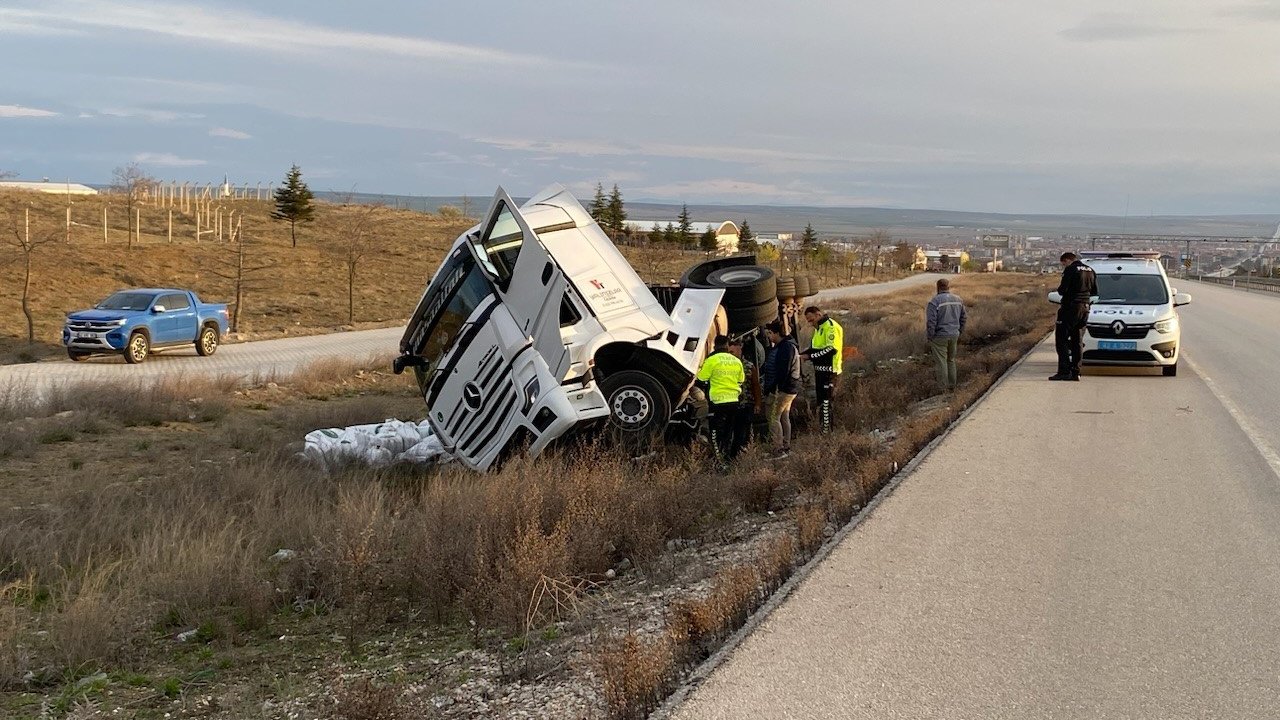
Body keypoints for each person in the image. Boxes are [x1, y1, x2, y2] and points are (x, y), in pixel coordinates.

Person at [696, 335, 746, 464]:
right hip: (734, 402)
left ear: (714, 344)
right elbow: (741, 380)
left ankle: (719, 462)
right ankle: (728, 459)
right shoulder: (736, 361)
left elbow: (701, 379)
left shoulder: (712, 360)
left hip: (717, 403)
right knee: (728, 432)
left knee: (715, 434)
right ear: (727, 345)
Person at [1052, 251, 1098, 381]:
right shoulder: (1090, 270)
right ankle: (1076, 371)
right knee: (1077, 341)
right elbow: (1095, 292)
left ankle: (1064, 371)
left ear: (1066, 260)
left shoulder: (1070, 270)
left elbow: (1062, 290)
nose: (1064, 266)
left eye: (1063, 264)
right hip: (1085, 309)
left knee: (1062, 340)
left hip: (1070, 308)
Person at [799, 306, 843, 434]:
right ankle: (823, 430)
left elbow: (830, 350)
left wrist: (810, 356)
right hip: (819, 371)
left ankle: (828, 432)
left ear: (818, 315)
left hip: (830, 371)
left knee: (826, 403)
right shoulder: (819, 329)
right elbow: (816, 348)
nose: (810, 323)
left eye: (811, 320)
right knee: (821, 402)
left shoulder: (830, 327)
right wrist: (802, 354)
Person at [761, 321, 800, 457]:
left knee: (773, 417)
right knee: (784, 417)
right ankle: (786, 446)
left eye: (770, 334)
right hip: (789, 388)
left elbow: (783, 371)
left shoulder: (785, 348)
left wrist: (773, 389)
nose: (769, 337)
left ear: (776, 333)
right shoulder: (788, 346)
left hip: (782, 389)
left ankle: (778, 449)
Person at [925, 278, 967, 391]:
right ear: (948, 287)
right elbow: (964, 318)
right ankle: (952, 386)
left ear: (938, 287)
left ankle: (943, 388)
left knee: (941, 362)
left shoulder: (934, 302)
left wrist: (930, 336)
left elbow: (931, 322)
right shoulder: (958, 300)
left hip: (939, 336)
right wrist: (960, 331)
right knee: (951, 360)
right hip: (954, 334)